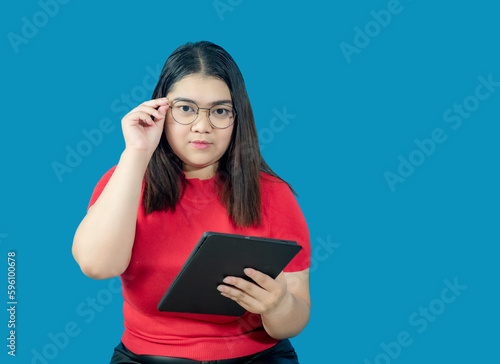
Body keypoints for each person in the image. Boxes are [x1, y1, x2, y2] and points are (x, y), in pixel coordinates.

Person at [72, 41, 311, 363]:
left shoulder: (272, 192)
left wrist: (279, 305)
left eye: (220, 111)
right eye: (185, 108)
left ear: (237, 118)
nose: (203, 126)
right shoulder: (125, 180)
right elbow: (97, 267)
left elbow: (293, 321)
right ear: (160, 111)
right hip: (147, 357)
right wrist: (137, 154)